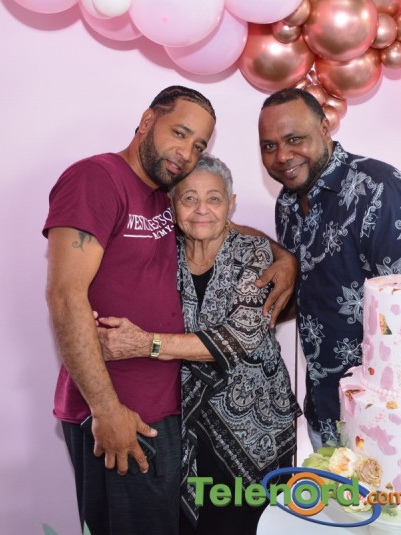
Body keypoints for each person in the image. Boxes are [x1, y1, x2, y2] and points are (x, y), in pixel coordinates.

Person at [43, 86, 296, 535]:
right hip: (119, 413)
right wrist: (107, 410)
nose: (186, 152)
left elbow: (212, 220)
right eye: (179, 133)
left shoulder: (161, 191)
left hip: (169, 414)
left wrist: (284, 257)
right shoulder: (96, 178)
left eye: (198, 144)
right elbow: (65, 295)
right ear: (147, 121)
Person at [95, 153, 301, 535]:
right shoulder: (161, 253)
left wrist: (144, 344)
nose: (201, 209)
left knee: (244, 524)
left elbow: (240, 336)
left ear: (231, 204)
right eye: (189, 198)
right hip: (184, 421)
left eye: (214, 198)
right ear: (173, 206)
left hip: (254, 426)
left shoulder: (253, 252)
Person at [258, 88, 401, 450]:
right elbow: (313, 295)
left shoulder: (384, 192)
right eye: (269, 146)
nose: (282, 156)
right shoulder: (287, 204)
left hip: (384, 425)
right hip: (322, 411)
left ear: (325, 129)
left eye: (295, 139)